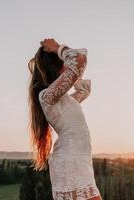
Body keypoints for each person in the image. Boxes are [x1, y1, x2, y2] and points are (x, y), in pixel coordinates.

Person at [28, 38, 102, 200]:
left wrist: (71, 70)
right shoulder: (47, 96)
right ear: (59, 66)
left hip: (78, 159)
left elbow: (84, 89)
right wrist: (57, 48)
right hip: (71, 160)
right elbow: (79, 60)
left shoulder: (63, 99)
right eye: (64, 63)